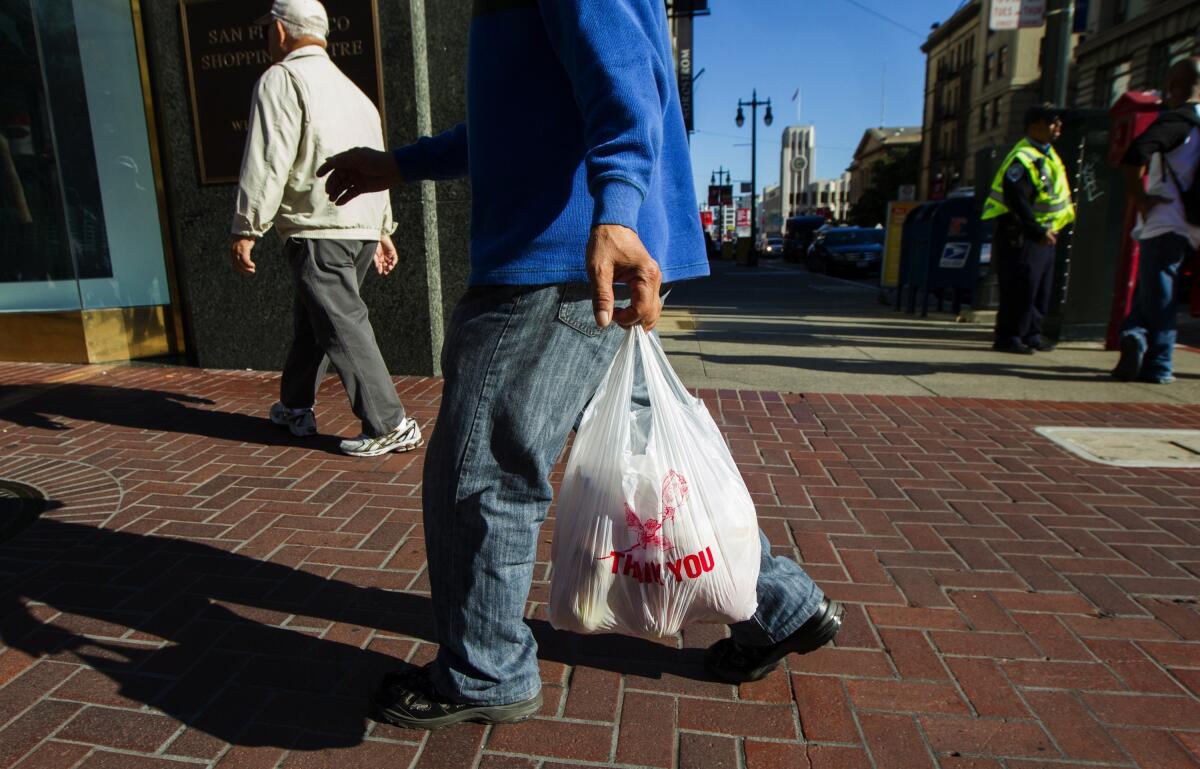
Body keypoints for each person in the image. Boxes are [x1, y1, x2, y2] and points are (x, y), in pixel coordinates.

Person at [317, 0, 842, 730]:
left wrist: (618, 210)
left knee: (485, 472)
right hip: (576, 256)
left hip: (557, 263)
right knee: (648, 474)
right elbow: (518, 127)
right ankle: (779, 602)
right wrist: (403, 165)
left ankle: (485, 667)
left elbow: (628, 82)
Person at [232, 0, 422, 457]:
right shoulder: (353, 91)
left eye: (268, 31)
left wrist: (247, 225)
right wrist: (381, 227)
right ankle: (295, 405)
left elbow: (268, 156)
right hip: (355, 225)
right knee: (315, 320)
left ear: (279, 32)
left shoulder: (282, 78)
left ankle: (390, 423)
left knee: (340, 323)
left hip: (318, 226)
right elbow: (377, 160)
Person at [1113, 57, 1200, 385]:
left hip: (1168, 219)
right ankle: (1134, 333)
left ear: (1176, 87)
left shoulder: (1178, 120)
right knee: (1153, 290)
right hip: (1195, 224)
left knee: (1160, 290)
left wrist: (1141, 197)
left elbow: (1136, 153)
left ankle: (1157, 362)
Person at [981, 104, 1076, 354]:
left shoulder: (1047, 154)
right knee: (1020, 287)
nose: (1058, 127)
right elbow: (1017, 200)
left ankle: (1032, 333)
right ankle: (1009, 336)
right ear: (1035, 126)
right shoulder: (1022, 158)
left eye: (1058, 122)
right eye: (1052, 122)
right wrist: (1035, 230)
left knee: (1040, 288)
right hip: (1021, 235)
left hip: (1044, 234)